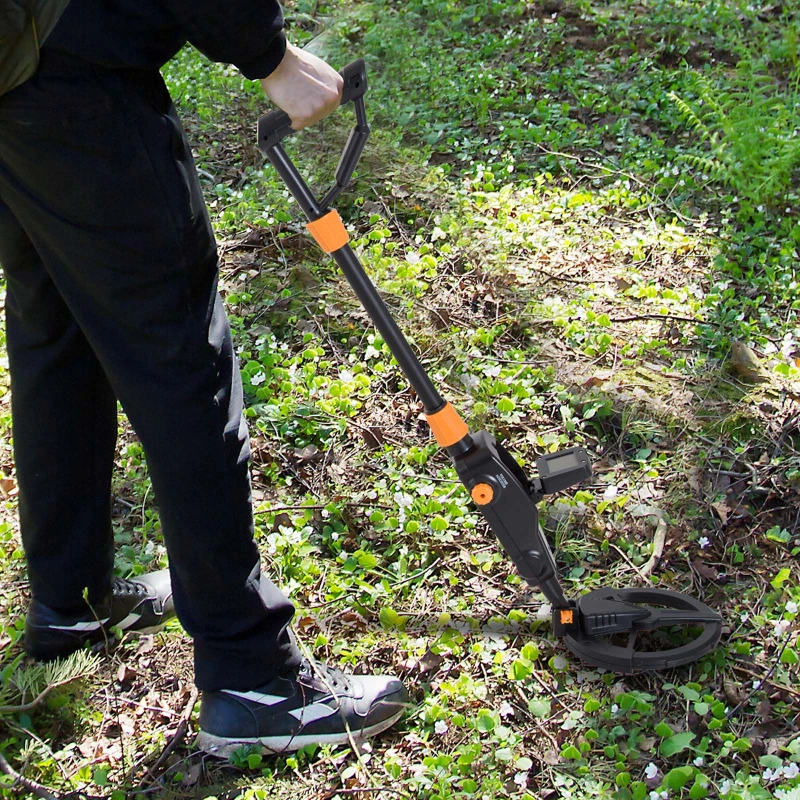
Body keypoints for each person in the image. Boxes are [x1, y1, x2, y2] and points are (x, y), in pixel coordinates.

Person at [0, 0, 408, 757]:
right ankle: (253, 678)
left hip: (14, 70)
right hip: (76, 74)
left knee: (58, 332)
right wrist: (270, 55)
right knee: (180, 356)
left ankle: (71, 604)